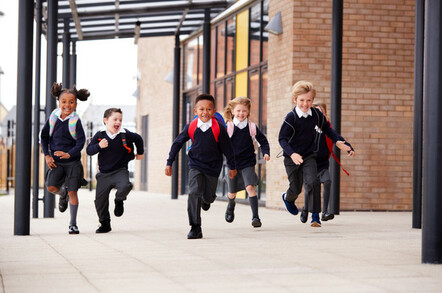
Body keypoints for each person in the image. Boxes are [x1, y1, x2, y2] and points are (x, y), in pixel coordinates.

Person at [279, 80, 355, 227]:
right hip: (291, 157)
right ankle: (288, 198)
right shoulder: (291, 117)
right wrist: (292, 154)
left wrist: (342, 143)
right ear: (295, 100)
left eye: (309, 100)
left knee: (313, 182)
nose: (305, 104)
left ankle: (315, 216)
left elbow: (328, 129)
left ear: (312, 100)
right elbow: (282, 139)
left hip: (309, 155)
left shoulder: (316, 115)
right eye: (302, 100)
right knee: (296, 188)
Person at [165, 94, 237, 239]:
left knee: (209, 197)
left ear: (214, 110)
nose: (205, 112)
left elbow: (228, 149)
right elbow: (177, 143)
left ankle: (206, 199)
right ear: (195, 111)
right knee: (194, 191)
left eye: (209, 109)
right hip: (195, 165)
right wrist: (169, 162)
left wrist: (232, 166)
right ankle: (195, 227)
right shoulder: (191, 126)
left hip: (213, 167)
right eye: (201, 109)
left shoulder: (219, 128)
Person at [40, 82, 90, 235]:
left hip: (73, 162)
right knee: (51, 187)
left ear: (75, 103)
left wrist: (70, 154)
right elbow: (44, 137)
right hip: (56, 161)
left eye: (71, 102)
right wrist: (47, 155)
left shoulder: (76, 121)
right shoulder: (53, 118)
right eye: (64, 102)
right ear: (59, 102)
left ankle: (72, 224)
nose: (67, 105)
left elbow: (81, 141)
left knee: (73, 192)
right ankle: (62, 195)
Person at [86, 108, 144, 233]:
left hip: (120, 171)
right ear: (105, 120)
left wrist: (140, 153)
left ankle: (119, 200)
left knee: (125, 186)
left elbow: (138, 138)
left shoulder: (125, 134)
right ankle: (105, 224)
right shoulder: (100, 135)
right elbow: (89, 150)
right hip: (104, 174)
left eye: (120, 120)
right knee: (100, 202)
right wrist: (98, 146)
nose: (118, 122)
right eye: (115, 119)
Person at [300, 103, 353, 224]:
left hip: (323, 163)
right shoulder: (308, 128)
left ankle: (324, 212)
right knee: (309, 187)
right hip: (310, 164)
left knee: (327, 181)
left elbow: (338, 138)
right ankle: (305, 208)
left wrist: (350, 148)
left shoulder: (327, 129)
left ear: (325, 115)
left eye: (321, 112)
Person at [222, 96, 270, 228]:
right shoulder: (228, 127)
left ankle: (256, 217)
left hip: (248, 162)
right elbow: (220, 143)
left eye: (244, 110)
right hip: (232, 164)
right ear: (232, 111)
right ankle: (230, 206)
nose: (241, 113)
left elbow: (263, 141)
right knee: (232, 193)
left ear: (248, 111)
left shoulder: (252, 127)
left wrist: (266, 152)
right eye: (238, 110)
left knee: (250, 187)